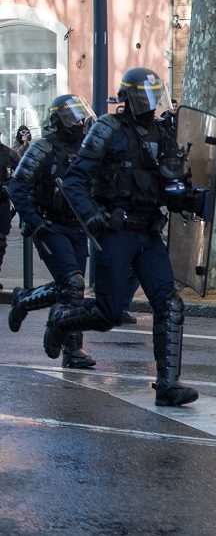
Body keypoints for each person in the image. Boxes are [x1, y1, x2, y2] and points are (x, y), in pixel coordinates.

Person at [56, 68, 209, 406]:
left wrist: (190, 197)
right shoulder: (106, 130)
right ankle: (61, 320)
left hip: (149, 231)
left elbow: (171, 185)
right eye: (145, 96)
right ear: (128, 98)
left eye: (156, 95)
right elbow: (75, 182)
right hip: (116, 231)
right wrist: (94, 217)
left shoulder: (164, 133)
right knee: (109, 312)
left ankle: (168, 385)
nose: (152, 104)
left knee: (169, 304)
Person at [7, 95, 97, 368]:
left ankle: (24, 300)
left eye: (81, 116)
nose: (80, 122)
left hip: (77, 226)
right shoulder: (42, 149)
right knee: (72, 284)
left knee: (71, 289)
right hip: (50, 225)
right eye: (73, 117)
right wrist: (35, 221)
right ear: (59, 120)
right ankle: (72, 351)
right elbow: (18, 187)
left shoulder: (87, 149)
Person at [0, 133, 19, 289]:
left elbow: (22, 175)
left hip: (2, 202)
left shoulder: (9, 153)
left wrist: (9, 188)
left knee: (0, 242)